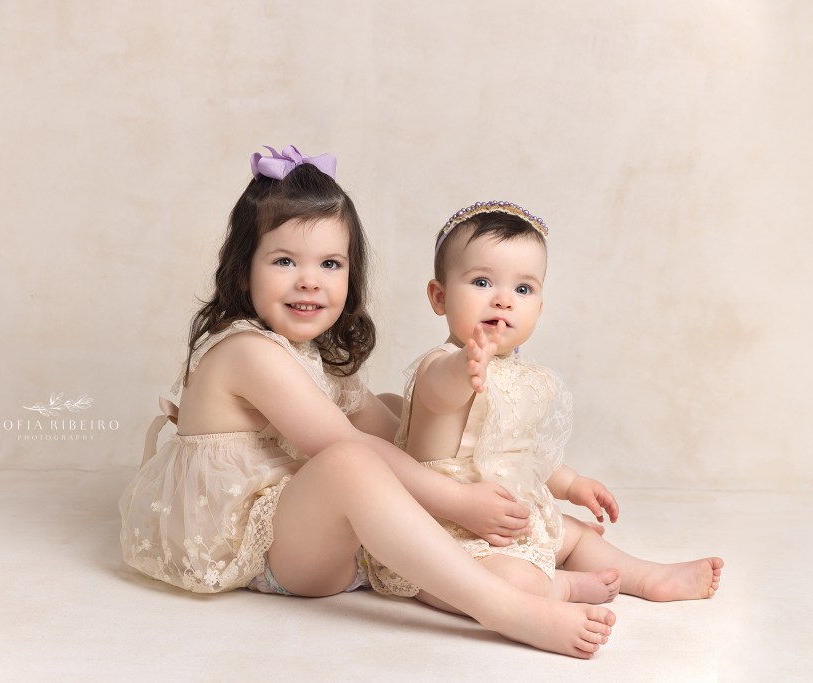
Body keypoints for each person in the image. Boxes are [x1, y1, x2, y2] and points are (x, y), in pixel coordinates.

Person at [118, 148, 616, 658]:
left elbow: (398, 437)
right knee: (350, 460)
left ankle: (487, 551)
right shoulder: (247, 351)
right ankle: (504, 607)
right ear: (243, 271)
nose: (310, 280)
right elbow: (348, 447)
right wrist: (457, 502)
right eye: (285, 261)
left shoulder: (314, 353)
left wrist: (482, 466)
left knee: (397, 410)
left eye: (330, 263)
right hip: (256, 551)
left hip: (309, 532)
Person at [363, 201, 723, 614]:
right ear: (439, 296)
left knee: (576, 536)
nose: (503, 300)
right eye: (482, 282)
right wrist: (466, 365)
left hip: (510, 519)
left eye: (523, 289)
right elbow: (440, 392)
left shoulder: (524, 375)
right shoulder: (442, 365)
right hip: (444, 531)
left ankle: (646, 576)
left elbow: (522, 453)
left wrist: (571, 484)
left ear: (538, 307)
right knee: (507, 580)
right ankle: (561, 587)